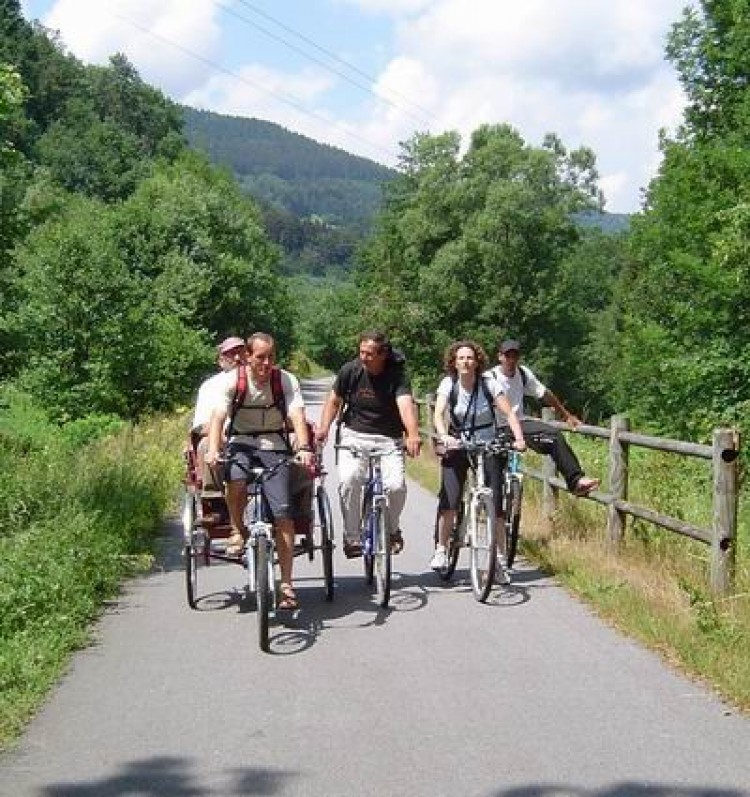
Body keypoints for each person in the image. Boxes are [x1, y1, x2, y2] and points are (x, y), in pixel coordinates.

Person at [205, 332, 313, 610]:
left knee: (283, 515)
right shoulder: (234, 381)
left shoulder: (285, 380)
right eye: (260, 357)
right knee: (236, 480)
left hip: (274, 445)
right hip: (241, 442)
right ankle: (238, 529)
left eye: (270, 357)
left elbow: (297, 416)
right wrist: (214, 450)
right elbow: (217, 418)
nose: (266, 363)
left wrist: (303, 447)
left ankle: (287, 584)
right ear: (248, 357)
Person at [315, 330, 422, 559]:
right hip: (354, 435)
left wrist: (412, 434)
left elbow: (405, 405)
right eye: (361, 352)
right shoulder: (350, 371)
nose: (363, 357)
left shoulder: (396, 375)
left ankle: (392, 530)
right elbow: (334, 401)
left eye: (369, 354)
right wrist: (324, 427)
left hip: (389, 438)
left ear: (383, 354)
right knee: (350, 479)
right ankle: (352, 536)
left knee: (395, 487)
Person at [431, 340, 526, 575]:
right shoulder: (448, 384)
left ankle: (500, 561)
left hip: (487, 443)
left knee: (496, 507)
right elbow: (438, 414)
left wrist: (519, 438)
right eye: (461, 358)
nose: (465, 362)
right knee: (450, 499)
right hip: (458, 443)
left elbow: (510, 414)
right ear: (454, 362)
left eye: (470, 358)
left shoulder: (488, 384)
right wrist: (444, 436)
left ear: (477, 362)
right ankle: (442, 549)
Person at [487, 339, 600, 496]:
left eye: (515, 356)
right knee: (491, 474)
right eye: (507, 356)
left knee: (553, 435)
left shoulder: (523, 374)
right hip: (496, 427)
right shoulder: (489, 377)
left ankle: (576, 482)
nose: (511, 360)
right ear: (500, 357)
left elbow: (544, 394)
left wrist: (566, 415)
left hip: (519, 425)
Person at [190, 336, 247, 492]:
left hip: (256, 436)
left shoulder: (262, 381)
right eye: (231, 353)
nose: (237, 358)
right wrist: (219, 434)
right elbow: (200, 426)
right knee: (206, 445)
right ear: (221, 359)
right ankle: (213, 500)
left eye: (241, 352)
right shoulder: (210, 387)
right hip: (223, 437)